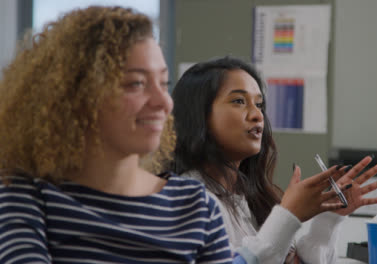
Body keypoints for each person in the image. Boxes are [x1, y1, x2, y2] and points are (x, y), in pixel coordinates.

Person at [0, 7, 255, 263]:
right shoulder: (28, 195)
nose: (163, 102)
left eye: (164, 84)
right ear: (77, 96)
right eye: (137, 84)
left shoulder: (195, 206)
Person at [171, 56, 377, 263]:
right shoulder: (186, 199)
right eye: (239, 101)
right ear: (199, 116)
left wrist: (330, 217)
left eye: (259, 104)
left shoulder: (249, 197)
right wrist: (288, 216)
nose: (257, 115)